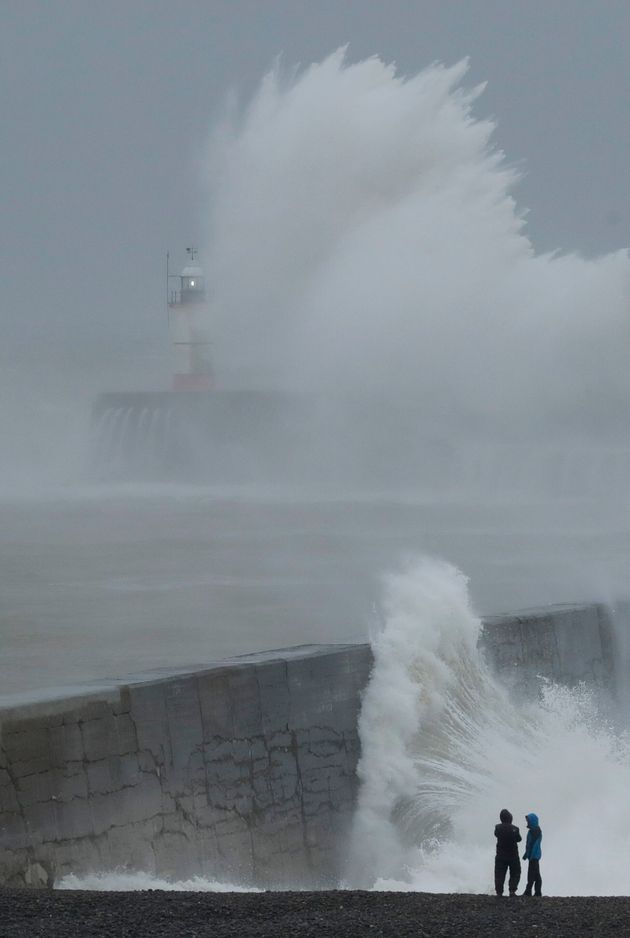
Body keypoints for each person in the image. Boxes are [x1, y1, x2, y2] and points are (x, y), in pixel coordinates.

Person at [494, 808, 522, 896]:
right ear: (510, 817)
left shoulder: (497, 827)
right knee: (515, 872)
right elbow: (519, 839)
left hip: (500, 855)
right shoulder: (515, 829)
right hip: (513, 855)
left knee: (499, 873)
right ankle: (512, 890)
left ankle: (499, 892)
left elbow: (496, 834)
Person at [522, 812, 543, 896]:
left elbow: (533, 845)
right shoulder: (536, 831)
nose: (527, 822)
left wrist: (529, 855)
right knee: (536, 874)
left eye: (528, 821)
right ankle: (537, 892)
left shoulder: (534, 832)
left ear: (532, 821)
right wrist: (527, 854)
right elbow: (531, 845)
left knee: (531, 874)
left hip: (533, 857)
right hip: (534, 856)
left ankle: (528, 891)